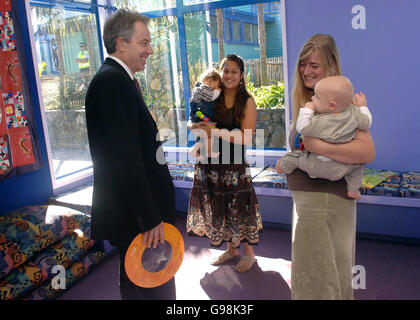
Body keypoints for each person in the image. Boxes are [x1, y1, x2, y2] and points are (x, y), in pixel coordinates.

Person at [85, 9, 176, 300]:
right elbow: (125, 161)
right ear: (121, 43)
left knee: (144, 283)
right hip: (139, 218)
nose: (150, 50)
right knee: (149, 286)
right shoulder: (113, 84)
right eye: (144, 43)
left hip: (136, 213)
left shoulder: (118, 80)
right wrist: (149, 218)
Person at [275, 34, 375, 300]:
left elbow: (367, 151)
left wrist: (320, 148)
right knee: (326, 272)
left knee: (318, 278)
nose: (306, 70)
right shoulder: (307, 99)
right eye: (303, 63)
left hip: (326, 199)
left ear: (330, 64)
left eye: (314, 65)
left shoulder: (341, 103)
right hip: (308, 198)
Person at [186, 54, 263, 273]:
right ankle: (231, 250)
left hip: (234, 163)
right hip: (210, 163)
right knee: (221, 207)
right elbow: (196, 118)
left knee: (239, 206)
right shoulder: (213, 97)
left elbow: (246, 137)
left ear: (241, 75)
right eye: (225, 70)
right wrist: (195, 125)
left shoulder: (247, 101)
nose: (229, 75)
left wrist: (216, 131)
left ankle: (249, 253)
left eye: (234, 71)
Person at [277, 75, 372, 200]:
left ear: (332, 106)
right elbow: (367, 122)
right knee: (358, 166)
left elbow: (302, 127)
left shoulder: (322, 121)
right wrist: (363, 106)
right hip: (342, 168)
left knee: (295, 158)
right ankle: (353, 190)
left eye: (316, 97)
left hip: (318, 166)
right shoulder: (353, 113)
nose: (312, 98)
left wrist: (307, 109)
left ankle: (282, 166)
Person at [188, 68, 222, 161]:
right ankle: (204, 150)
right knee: (209, 132)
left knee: (206, 135)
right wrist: (218, 91)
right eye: (217, 84)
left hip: (199, 115)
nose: (217, 87)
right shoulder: (202, 88)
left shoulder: (200, 89)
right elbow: (211, 97)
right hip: (199, 115)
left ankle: (197, 150)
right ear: (212, 81)